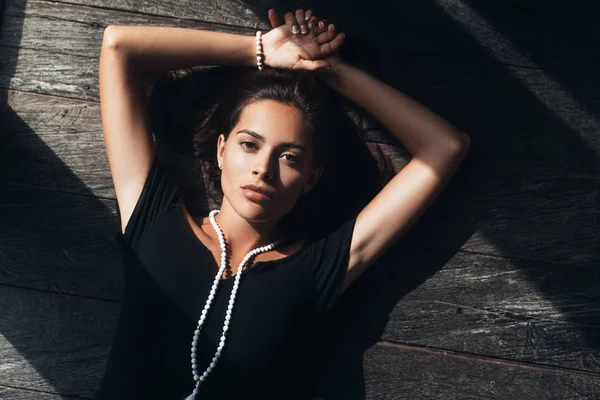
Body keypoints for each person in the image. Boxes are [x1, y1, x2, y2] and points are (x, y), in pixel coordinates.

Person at [94, 8, 471, 400]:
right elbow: (119, 46)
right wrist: (261, 50)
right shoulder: (153, 221)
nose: (264, 169)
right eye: (249, 145)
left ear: (311, 177)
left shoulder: (316, 268)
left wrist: (328, 68)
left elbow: (444, 147)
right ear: (222, 150)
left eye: (289, 157)